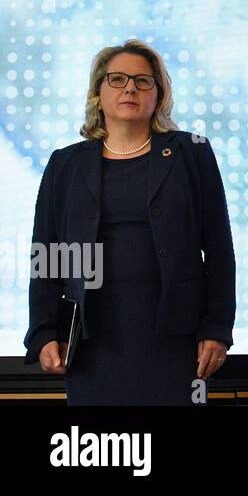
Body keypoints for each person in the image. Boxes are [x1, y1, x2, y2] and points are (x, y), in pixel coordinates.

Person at [24, 39, 236, 405]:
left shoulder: (191, 153)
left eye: (143, 81)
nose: (130, 89)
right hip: (93, 339)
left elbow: (219, 248)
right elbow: (49, 253)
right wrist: (44, 332)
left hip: (175, 337)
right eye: (117, 79)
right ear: (98, 93)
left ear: (158, 93)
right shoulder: (66, 164)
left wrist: (217, 328)